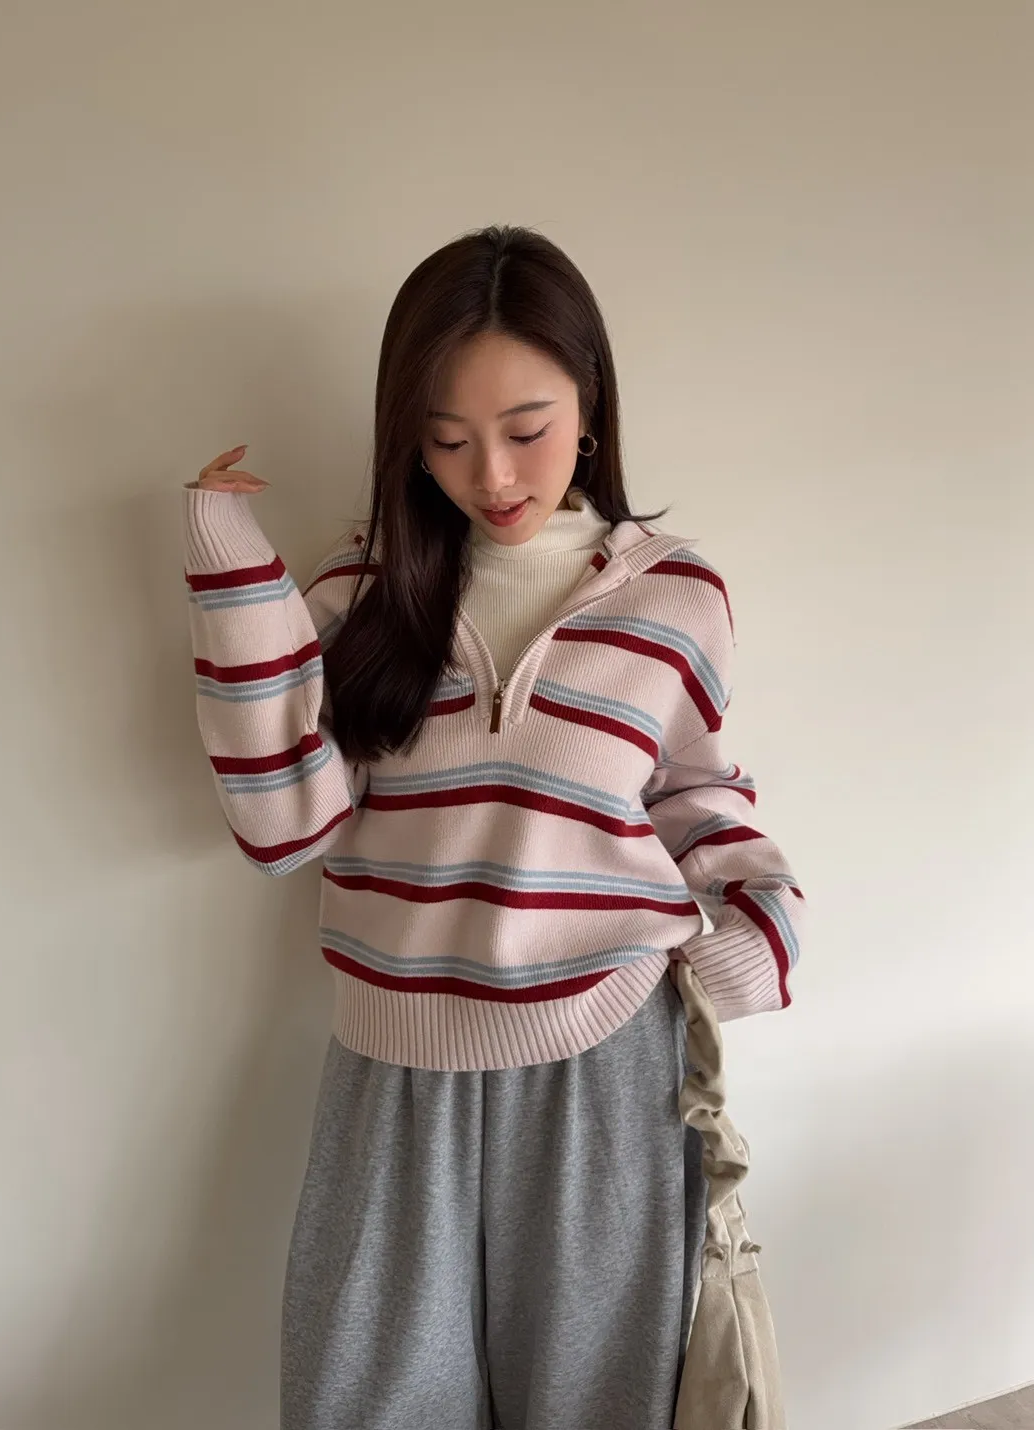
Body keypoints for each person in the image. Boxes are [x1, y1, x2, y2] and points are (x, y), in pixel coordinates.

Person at [183, 225, 803, 1430]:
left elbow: (690, 789)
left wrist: (756, 924)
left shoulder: (677, 594)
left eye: (526, 428)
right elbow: (283, 828)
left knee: (596, 1402)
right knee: (367, 1400)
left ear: (591, 405)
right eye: (446, 438)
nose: (493, 475)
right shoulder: (363, 592)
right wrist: (235, 578)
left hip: (606, 1057)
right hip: (393, 1060)